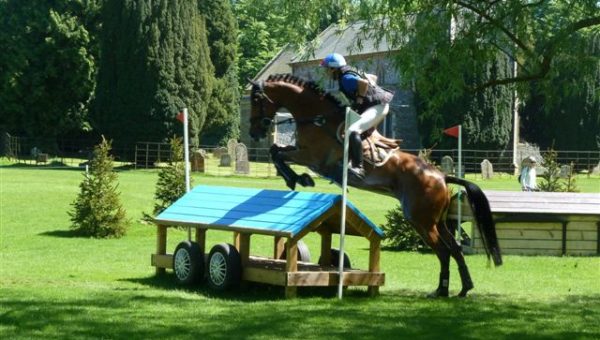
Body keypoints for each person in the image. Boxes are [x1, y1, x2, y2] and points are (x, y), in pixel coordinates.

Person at [320, 53, 394, 177]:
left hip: (378, 107)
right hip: (374, 105)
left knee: (353, 130)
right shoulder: (349, 72)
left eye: (327, 69)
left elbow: (364, 82)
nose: (326, 73)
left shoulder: (346, 78)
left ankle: (358, 167)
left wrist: (360, 98)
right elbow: (373, 77)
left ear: (334, 69)